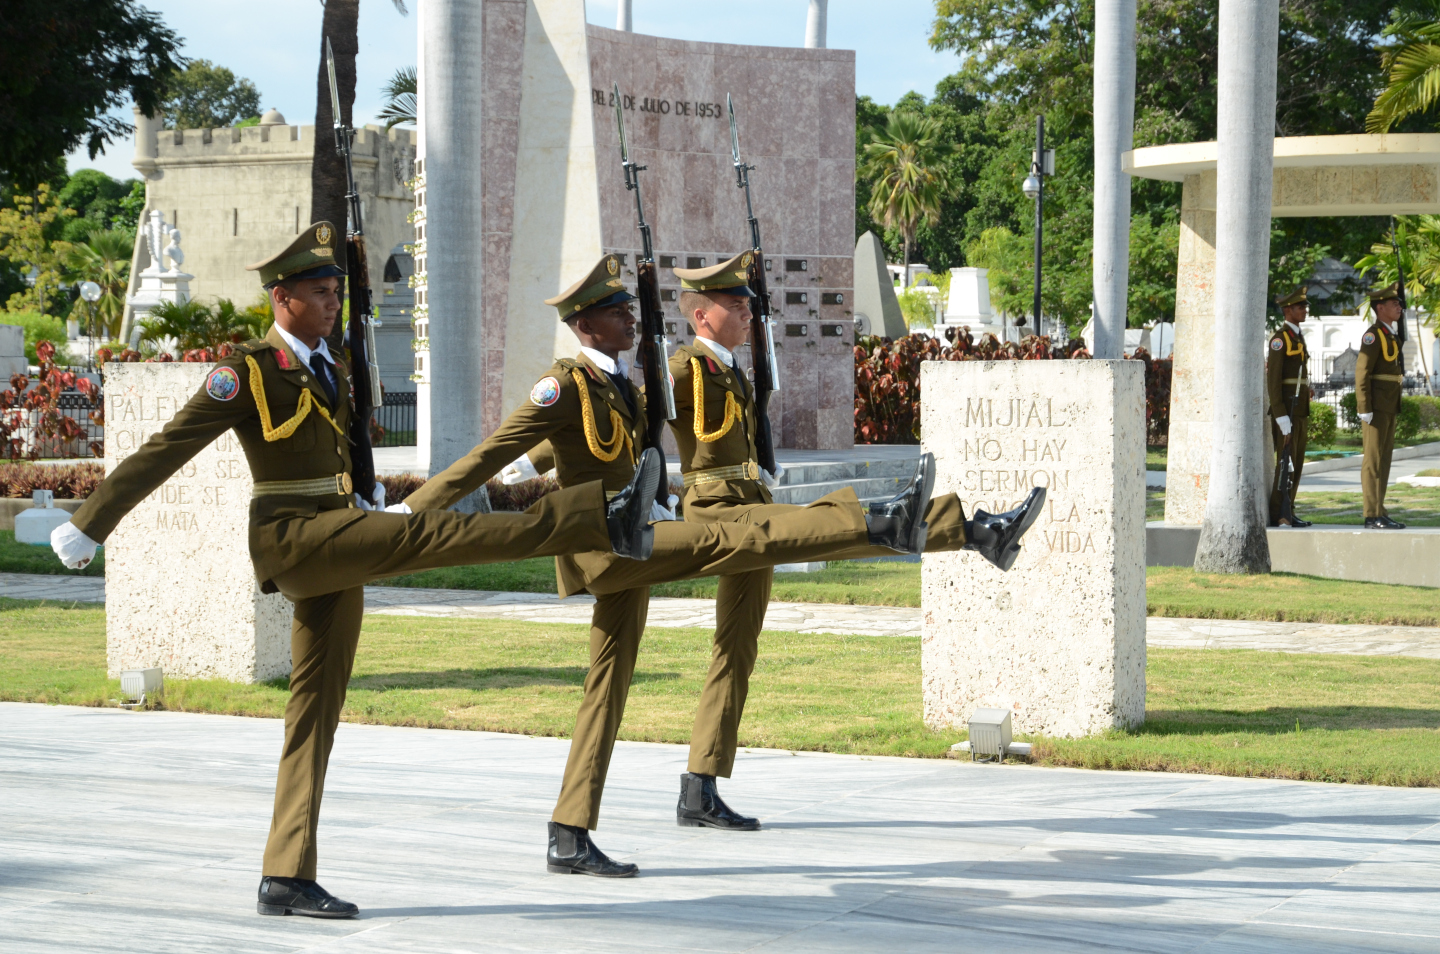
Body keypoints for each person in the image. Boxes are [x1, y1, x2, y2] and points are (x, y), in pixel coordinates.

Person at [48, 225, 663, 920]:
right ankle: (596, 521)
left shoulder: (329, 367)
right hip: (296, 536)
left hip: (339, 528)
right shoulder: (248, 372)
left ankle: (286, 875)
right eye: (319, 291)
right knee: (435, 530)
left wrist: (366, 492)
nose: (333, 301)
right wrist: (89, 522)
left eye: (337, 289)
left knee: (314, 712)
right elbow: (168, 446)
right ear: (281, 300)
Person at [394, 253, 1021, 878]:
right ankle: (894, 520)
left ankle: (571, 830)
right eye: (617, 312)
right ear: (584, 326)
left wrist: (570, 471)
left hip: (636, 536)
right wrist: (412, 510)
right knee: (753, 537)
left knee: (608, 684)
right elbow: (493, 451)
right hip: (604, 546)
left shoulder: (622, 385)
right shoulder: (570, 384)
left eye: (627, 309)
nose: (631, 319)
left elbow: (615, 446)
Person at [665, 252, 1045, 831]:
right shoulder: (684, 367)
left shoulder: (733, 369)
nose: (745, 311)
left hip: (751, 507)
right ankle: (969, 529)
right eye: (733, 304)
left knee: (736, 649)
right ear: (699, 316)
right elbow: (633, 415)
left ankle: (699, 788)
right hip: (717, 516)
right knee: (833, 527)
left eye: (746, 303)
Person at [1356, 281, 1408, 529]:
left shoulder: (1391, 334)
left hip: (1389, 405)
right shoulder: (1373, 335)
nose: (1399, 307)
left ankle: (1380, 509)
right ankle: (1371, 514)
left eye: (1399, 303)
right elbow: (1362, 372)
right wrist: (1364, 406)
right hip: (1375, 406)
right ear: (1380, 308)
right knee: (1373, 460)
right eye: (1394, 303)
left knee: (1384, 461)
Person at [1266, 286, 1312, 527]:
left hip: (1300, 408)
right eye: (1300, 307)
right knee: (1285, 462)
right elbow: (1273, 380)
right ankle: (1279, 512)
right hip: (1287, 411)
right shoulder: (1279, 339)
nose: (1304, 310)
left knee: (1297, 462)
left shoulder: (1298, 337)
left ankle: (1289, 508)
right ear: (1287, 310)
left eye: (1305, 306)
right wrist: (1280, 414)